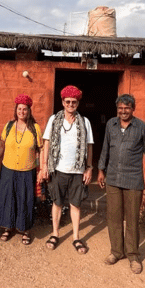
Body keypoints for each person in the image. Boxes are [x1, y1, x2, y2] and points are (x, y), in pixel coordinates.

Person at [97, 94, 145, 274]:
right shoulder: (111, 124)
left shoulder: (142, 128)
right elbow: (105, 148)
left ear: (133, 109)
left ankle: (133, 255)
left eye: (127, 108)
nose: (123, 111)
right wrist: (101, 169)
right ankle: (116, 251)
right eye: (120, 108)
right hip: (113, 178)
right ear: (117, 109)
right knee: (114, 217)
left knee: (132, 219)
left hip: (133, 179)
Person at [39, 85, 94, 254]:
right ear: (62, 102)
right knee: (57, 202)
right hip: (58, 169)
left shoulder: (84, 122)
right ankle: (55, 233)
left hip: (77, 170)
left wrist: (89, 167)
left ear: (78, 103)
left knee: (75, 204)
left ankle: (76, 237)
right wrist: (44, 166)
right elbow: (46, 143)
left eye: (74, 102)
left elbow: (89, 145)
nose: (71, 104)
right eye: (68, 101)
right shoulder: (54, 120)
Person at [0, 94, 42, 245]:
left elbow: (40, 149)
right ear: (16, 110)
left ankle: (25, 230)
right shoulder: (9, 126)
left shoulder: (35, 128)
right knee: (8, 198)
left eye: (25, 109)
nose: (22, 112)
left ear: (29, 111)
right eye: (19, 109)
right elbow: (1, 146)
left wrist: (41, 168)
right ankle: (8, 227)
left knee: (24, 199)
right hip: (8, 169)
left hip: (27, 170)